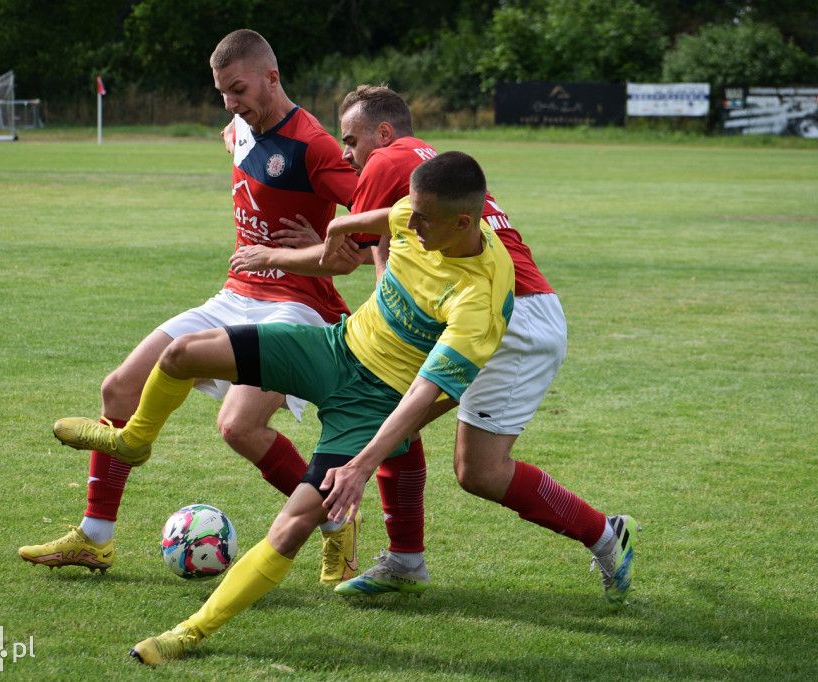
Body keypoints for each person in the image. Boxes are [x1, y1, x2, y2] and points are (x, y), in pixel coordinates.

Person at [52, 151, 515, 664]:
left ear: (464, 223)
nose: (413, 222)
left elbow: (424, 395)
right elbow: (390, 218)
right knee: (181, 354)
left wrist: (361, 466)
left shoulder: (480, 300)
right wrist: (338, 227)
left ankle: (188, 633)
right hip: (336, 348)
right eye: (413, 211)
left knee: (292, 525)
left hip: (375, 403)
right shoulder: (419, 212)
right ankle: (134, 441)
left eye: (424, 219)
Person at [232, 85, 638, 603]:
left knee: (478, 470)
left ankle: (605, 534)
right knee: (390, 415)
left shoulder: (387, 161)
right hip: (498, 306)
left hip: (514, 320)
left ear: (383, 133)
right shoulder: (422, 159)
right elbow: (384, 246)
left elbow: (343, 258)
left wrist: (271, 255)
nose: (347, 155)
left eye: (351, 140)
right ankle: (405, 561)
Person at [17, 29, 366, 586]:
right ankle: (95, 538)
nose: (229, 104)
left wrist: (323, 244)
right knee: (119, 389)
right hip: (234, 296)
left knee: (238, 426)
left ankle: (335, 523)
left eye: (239, 90)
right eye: (222, 92)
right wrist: (237, 127)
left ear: (272, 78)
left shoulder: (314, 146)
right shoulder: (240, 128)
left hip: (298, 307)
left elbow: (386, 224)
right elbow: (239, 138)